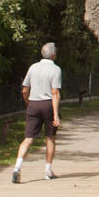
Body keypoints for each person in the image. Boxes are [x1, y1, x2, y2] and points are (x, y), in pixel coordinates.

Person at [14, 42, 62, 183]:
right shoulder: (56, 70)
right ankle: (48, 170)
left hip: (33, 104)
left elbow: (24, 89)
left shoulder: (33, 67)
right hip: (48, 104)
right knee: (50, 137)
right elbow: (55, 92)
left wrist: (28, 102)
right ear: (53, 54)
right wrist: (55, 114)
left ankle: (17, 167)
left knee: (28, 138)